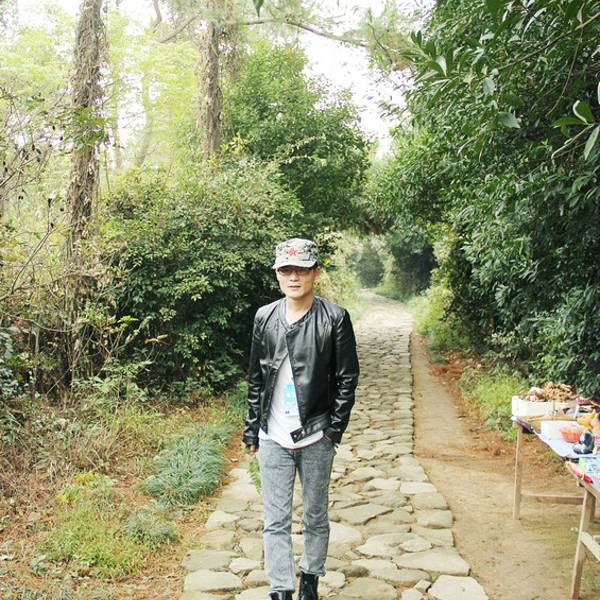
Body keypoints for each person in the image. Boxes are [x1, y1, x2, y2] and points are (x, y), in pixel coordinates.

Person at [243, 238, 360, 600]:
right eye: (286, 270)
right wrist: (252, 429)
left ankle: (310, 579)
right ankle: (280, 589)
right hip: (273, 435)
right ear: (277, 274)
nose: (294, 277)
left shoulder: (334, 318)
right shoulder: (265, 317)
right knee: (275, 519)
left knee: (315, 515)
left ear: (315, 273)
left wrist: (333, 430)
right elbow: (256, 376)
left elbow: (347, 377)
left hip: (316, 434)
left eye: (302, 270)